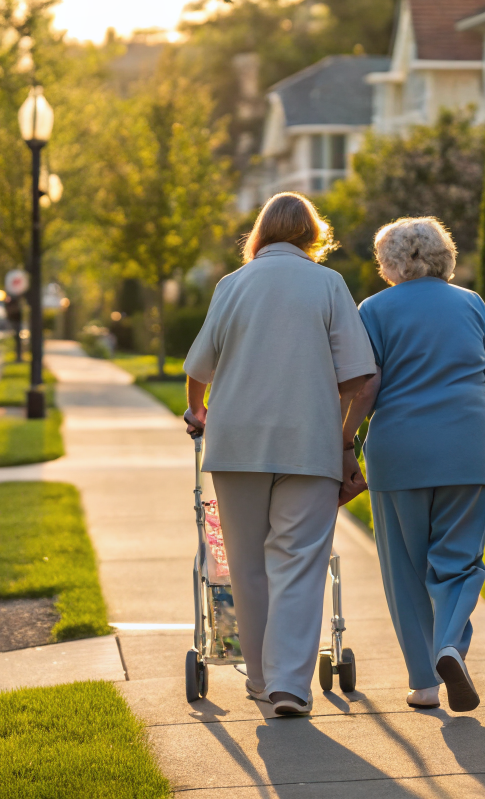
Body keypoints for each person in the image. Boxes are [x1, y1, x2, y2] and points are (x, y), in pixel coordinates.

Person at [183, 192, 373, 717]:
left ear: (261, 233)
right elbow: (358, 376)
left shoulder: (232, 284)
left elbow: (199, 367)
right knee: (299, 560)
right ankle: (290, 684)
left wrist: (198, 410)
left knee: (246, 565)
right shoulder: (328, 284)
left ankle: (261, 679)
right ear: (312, 234)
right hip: (308, 441)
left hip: (236, 443)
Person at [345, 217, 485, 712]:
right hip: (467, 449)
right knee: (461, 561)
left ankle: (424, 684)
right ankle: (450, 646)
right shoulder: (471, 303)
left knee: (405, 569)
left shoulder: (374, 309)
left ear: (389, 262)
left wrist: (344, 439)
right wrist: (483, 436)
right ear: (444, 256)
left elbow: (367, 386)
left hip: (399, 452)